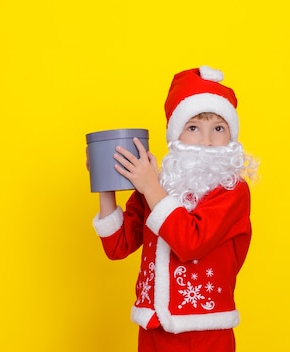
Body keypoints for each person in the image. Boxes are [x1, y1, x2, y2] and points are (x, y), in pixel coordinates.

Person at [90, 65, 258, 352]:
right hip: (154, 328)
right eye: (193, 128)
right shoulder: (159, 183)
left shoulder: (232, 190)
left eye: (218, 128)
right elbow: (117, 247)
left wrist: (150, 187)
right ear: (176, 134)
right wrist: (106, 185)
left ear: (231, 134)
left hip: (205, 332)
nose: (206, 140)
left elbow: (191, 242)